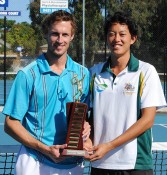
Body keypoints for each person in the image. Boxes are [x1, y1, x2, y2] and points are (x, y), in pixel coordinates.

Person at [3, 10, 91, 175]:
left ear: (72, 36)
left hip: (72, 164)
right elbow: (10, 124)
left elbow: (84, 116)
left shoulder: (83, 74)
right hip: (33, 160)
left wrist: (86, 127)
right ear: (46, 34)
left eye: (65, 34)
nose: (60, 40)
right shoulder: (28, 74)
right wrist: (44, 148)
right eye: (54, 34)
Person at [86, 11, 167, 175]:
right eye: (111, 34)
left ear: (133, 38)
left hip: (135, 165)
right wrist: (87, 140)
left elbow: (147, 120)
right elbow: (89, 116)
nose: (117, 39)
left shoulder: (146, 71)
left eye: (122, 34)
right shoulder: (94, 73)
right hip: (100, 163)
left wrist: (109, 146)